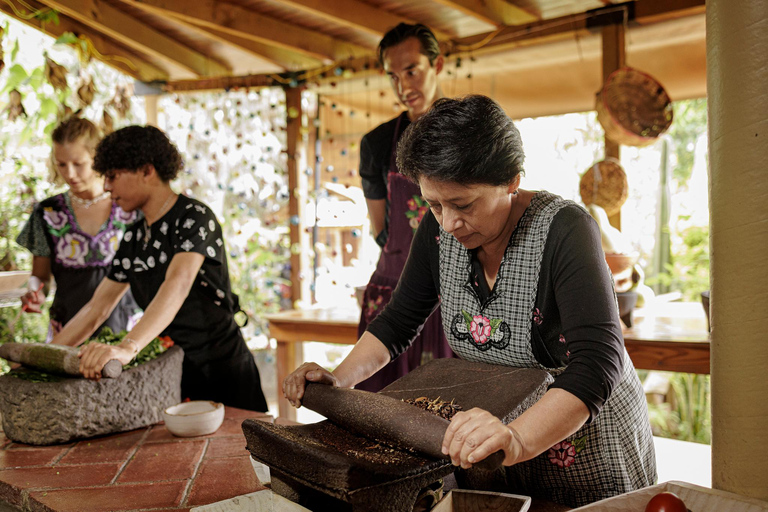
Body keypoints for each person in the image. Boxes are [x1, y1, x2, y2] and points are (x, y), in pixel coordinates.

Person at [284, 95, 656, 506]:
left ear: (512, 180)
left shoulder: (565, 231)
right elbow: (399, 322)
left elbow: (598, 363)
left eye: (463, 204)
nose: (448, 222)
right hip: (493, 444)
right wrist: (339, 379)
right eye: (434, 204)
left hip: (585, 444)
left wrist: (516, 438)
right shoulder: (439, 229)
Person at [51, 125, 268, 412]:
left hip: (224, 370)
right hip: (173, 372)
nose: (106, 186)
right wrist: (46, 355)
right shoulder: (134, 237)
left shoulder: (195, 218)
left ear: (146, 170)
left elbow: (177, 284)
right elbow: (96, 309)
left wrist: (128, 347)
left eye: (113, 176)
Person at [356, 22, 454, 392]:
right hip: (394, 296)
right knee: (380, 412)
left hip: (458, 295)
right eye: (393, 76)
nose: (403, 86)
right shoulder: (377, 144)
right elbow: (382, 230)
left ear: (437, 64)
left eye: (411, 70)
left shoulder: (468, 133)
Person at [16, 117, 141, 341]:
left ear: (97, 157)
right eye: (61, 164)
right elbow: (40, 276)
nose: (70, 174)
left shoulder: (130, 208)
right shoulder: (47, 213)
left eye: (78, 164)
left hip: (126, 333)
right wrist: (35, 293)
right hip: (67, 334)